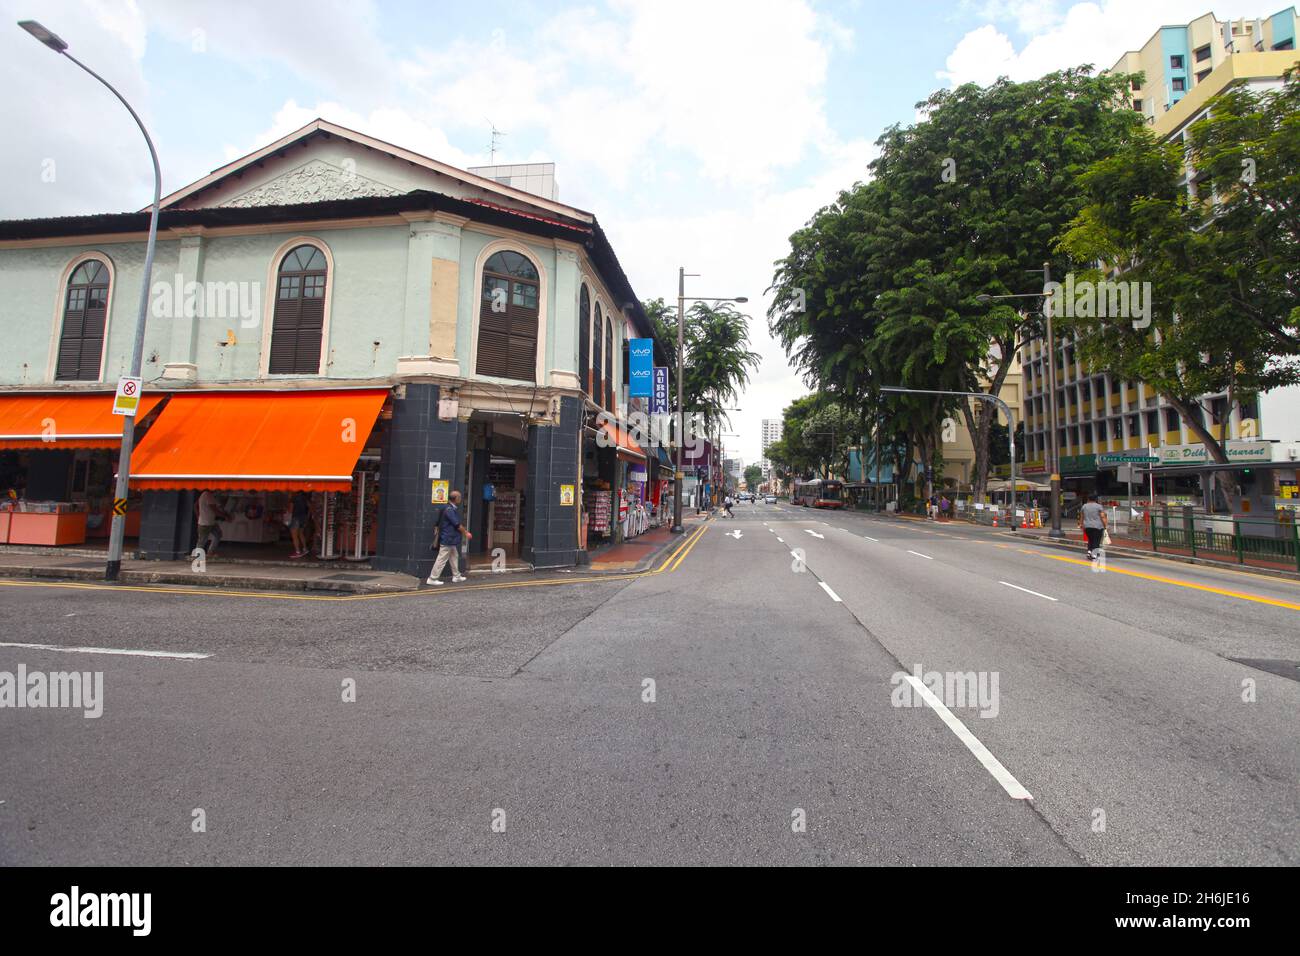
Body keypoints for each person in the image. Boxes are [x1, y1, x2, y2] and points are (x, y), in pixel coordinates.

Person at [427, 490, 471, 586]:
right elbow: (457, 524)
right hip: (448, 538)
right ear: (456, 499)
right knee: (442, 559)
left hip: (449, 538)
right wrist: (466, 533)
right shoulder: (450, 510)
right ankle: (432, 578)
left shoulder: (446, 507)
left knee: (454, 556)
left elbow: (438, 522)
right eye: (459, 497)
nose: (460, 498)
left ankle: (456, 576)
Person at [196, 490, 231, 556]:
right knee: (202, 541)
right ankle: (198, 557)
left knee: (218, 534)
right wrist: (225, 517)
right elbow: (215, 510)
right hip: (205, 523)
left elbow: (195, 506)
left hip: (210, 522)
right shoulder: (208, 495)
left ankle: (210, 552)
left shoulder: (204, 495)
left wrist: (199, 516)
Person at [1079, 493, 1107, 560]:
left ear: (1088, 499)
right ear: (1096, 499)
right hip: (1098, 526)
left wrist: (1081, 524)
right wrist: (1105, 525)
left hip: (1087, 526)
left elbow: (1082, 516)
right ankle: (1094, 555)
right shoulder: (1099, 506)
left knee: (1090, 539)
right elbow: (1102, 516)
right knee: (1096, 540)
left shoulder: (1084, 506)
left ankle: (1089, 552)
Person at [289, 490, 311, 559]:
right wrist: (308, 516)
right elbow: (310, 507)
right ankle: (305, 549)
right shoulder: (305, 498)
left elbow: (290, 510)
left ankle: (297, 551)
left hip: (295, 518)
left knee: (294, 535)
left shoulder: (294, 498)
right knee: (301, 533)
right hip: (303, 518)